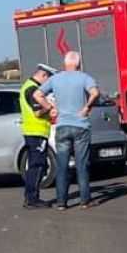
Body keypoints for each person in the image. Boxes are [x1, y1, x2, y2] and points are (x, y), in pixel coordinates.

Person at [38, 51, 99, 210]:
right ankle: (85, 200)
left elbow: (37, 94)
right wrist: (87, 107)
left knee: (61, 165)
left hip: (62, 125)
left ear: (64, 64)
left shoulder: (55, 79)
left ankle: (61, 202)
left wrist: (50, 107)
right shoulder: (85, 77)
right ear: (78, 63)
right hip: (80, 125)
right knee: (81, 164)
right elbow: (95, 93)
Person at [19, 64, 57, 209]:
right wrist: (49, 107)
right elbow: (37, 112)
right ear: (43, 76)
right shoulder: (32, 89)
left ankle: (31, 197)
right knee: (38, 165)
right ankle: (32, 199)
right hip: (36, 131)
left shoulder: (28, 86)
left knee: (35, 165)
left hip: (33, 131)